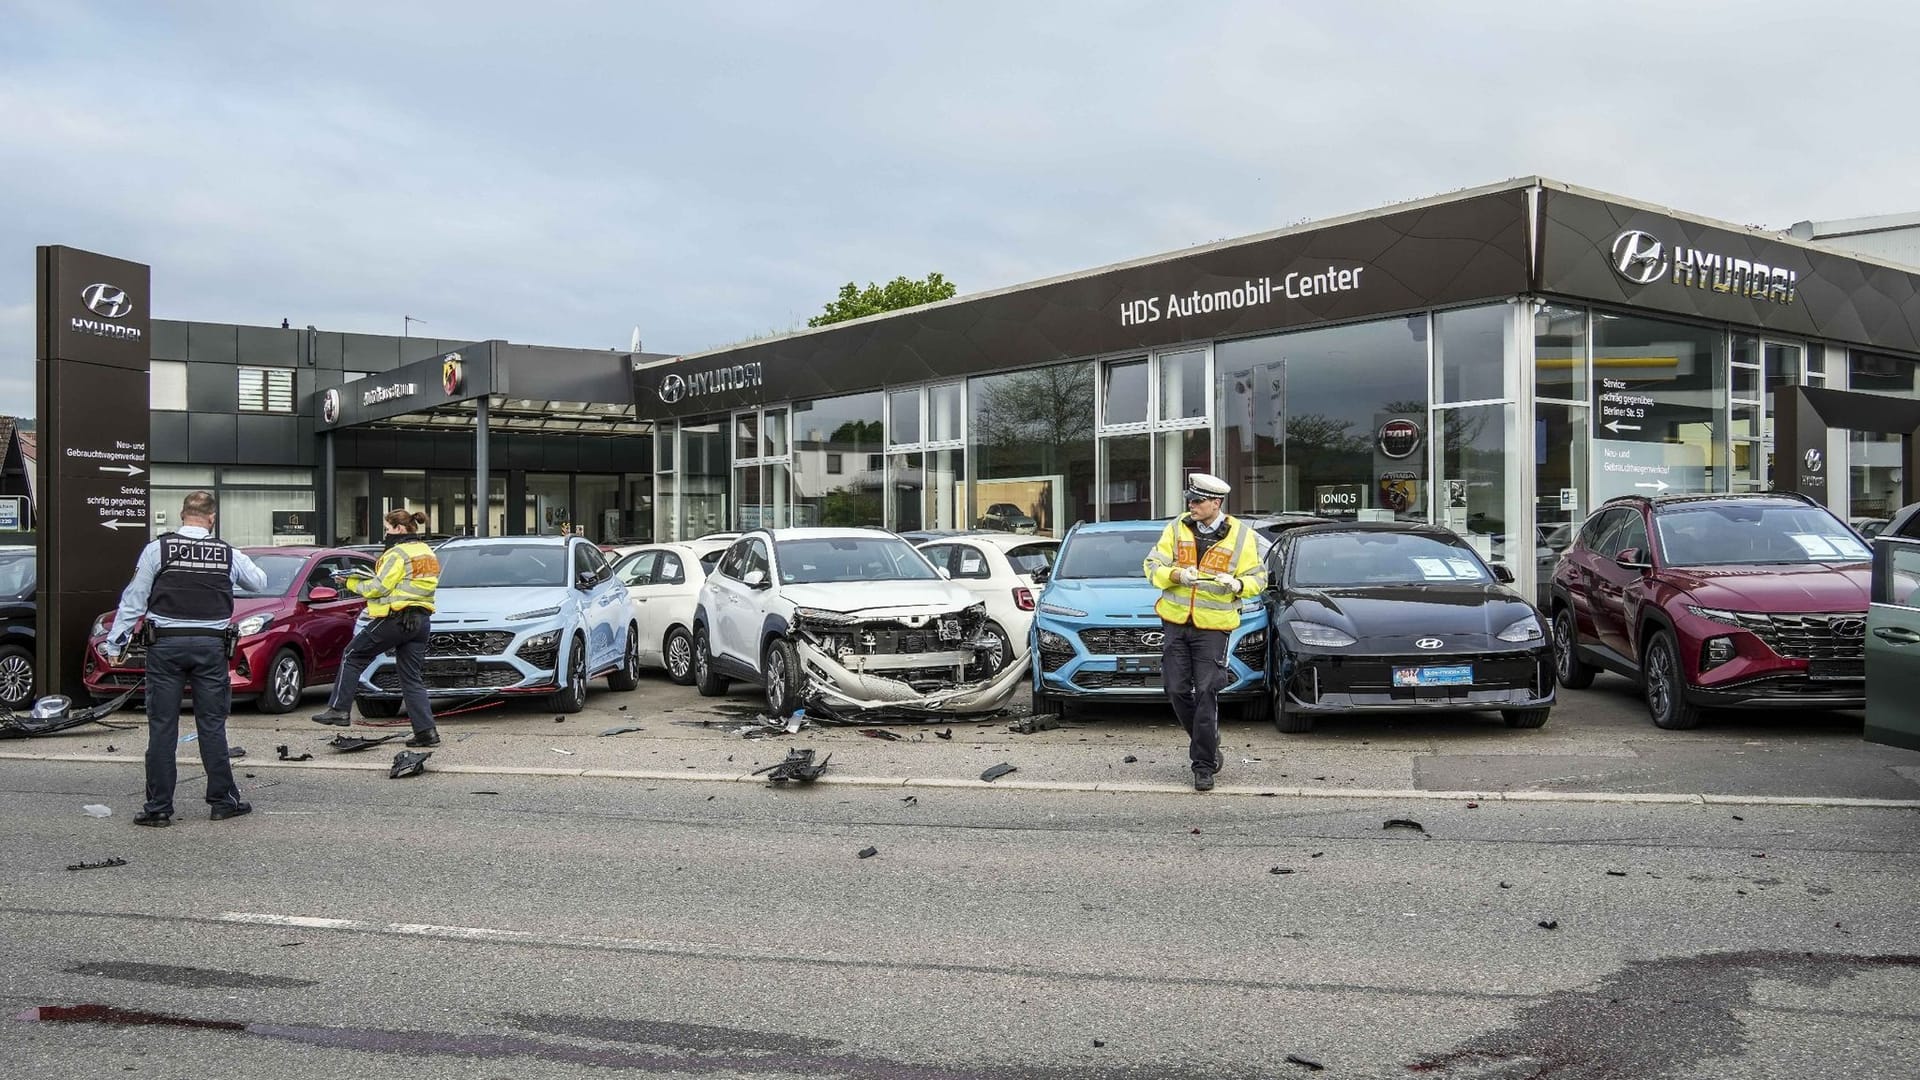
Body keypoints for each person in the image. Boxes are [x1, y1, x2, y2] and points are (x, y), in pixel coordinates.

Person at [105, 491, 268, 826]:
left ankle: (159, 809)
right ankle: (223, 801)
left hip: (165, 648)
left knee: (162, 727)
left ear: (182, 515)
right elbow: (259, 582)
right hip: (210, 648)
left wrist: (115, 644)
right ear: (211, 518)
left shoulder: (158, 549)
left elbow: (133, 600)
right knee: (212, 725)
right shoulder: (226, 553)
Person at [1142, 473, 1267, 792]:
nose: (1191, 505)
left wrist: (1239, 584)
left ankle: (1203, 765)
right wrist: (1177, 575)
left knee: (1208, 690)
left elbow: (1258, 579)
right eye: (1190, 499)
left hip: (1213, 627)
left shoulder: (1241, 535)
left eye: (1198, 501)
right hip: (1175, 622)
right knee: (1175, 689)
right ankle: (1208, 739)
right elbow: (1151, 567)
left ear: (1216, 503)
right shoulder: (1176, 527)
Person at [311, 509, 441, 746]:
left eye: (388, 529)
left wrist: (350, 581)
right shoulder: (427, 552)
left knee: (353, 654)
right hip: (420, 621)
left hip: (397, 619)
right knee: (411, 678)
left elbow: (378, 588)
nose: (386, 534)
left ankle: (338, 710)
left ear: (399, 529)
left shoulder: (397, 553)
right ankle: (426, 732)